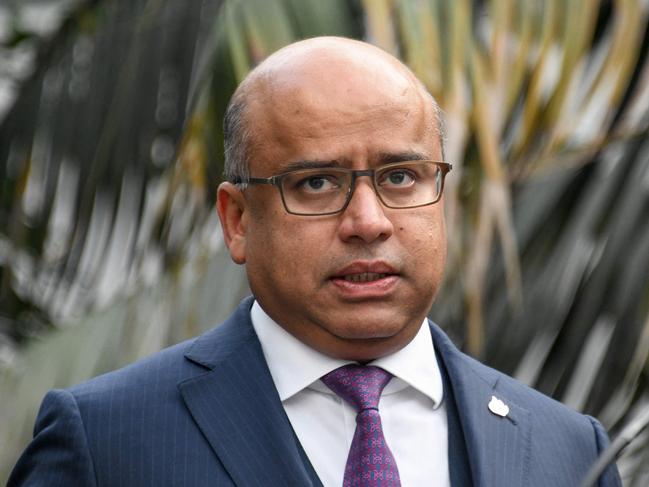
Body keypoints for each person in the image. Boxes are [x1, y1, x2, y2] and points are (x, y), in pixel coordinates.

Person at [9, 37, 620, 487]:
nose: (368, 222)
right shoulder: (106, 443)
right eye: (318, 184)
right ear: (238, 220)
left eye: (401, 176)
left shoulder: (567, 450)